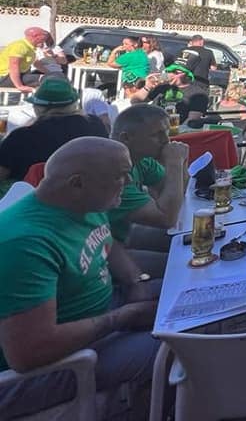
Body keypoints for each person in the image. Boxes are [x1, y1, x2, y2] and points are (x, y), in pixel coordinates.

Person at [0, 137, 159, 418]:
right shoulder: (25, 243)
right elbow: (29, 354)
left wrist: (136, 282)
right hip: (51, 365)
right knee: (182, 346)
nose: (128, 181)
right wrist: (122, 317)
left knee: (193, 302)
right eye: (120, 176)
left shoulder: (82, 205)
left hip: (102, 317)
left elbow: (108, 246)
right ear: (77, 183)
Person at [110, 105, 190, 277]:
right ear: (126, 138)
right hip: (107, 254)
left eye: (166, 132)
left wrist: (180, 163)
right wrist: (175, 163)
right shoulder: (113, 170)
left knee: (193, 241)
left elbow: (175, 193)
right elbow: (166, 218)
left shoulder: (140, 158)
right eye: (157, 135)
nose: (166, 141)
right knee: (183, 266)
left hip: (122, 236)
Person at [0, 78, 107, 186]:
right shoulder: (95, 125)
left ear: (38, 107)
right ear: (74, 104)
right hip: (89, 195)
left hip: (33, 197)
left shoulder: (21, 137)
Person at [145, 53, 210, 126]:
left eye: (176, 72)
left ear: (187, 75)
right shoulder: (162, 87)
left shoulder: (198, 94)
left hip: (175, 132)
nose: (171, 75)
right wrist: (147, 87)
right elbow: (136, 101)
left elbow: (191, 122)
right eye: (169, 71)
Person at [0, 27, 55, 92]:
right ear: (35, 36)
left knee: (51, 78)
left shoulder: (30, 47)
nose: (44, 41)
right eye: (43, 38)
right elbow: (14, 66)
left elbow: (36, 63)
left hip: (17, 76)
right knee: (48, 80)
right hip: (5, 77)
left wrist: (50, 73)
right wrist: (20, 86)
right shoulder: (20, 46)